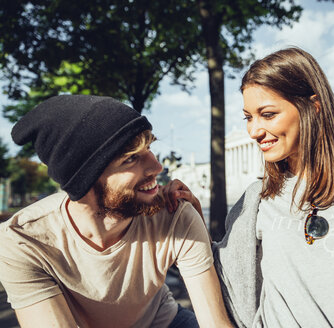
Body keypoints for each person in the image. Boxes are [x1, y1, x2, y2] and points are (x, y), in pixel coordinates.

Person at [167, 47, 334, 328]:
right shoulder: (256, 200)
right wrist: (193, 223)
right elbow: (224, 278)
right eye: (249, 117)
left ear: (313, 106)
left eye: (268, 114)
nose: (254, 131)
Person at [0, 95, 232, 328]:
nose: (157, 167)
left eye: (150, 147)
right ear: (85, 180)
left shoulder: (174, 212)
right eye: (131, 159)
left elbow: (216, 323)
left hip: (165, 322)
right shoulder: (23, 241)